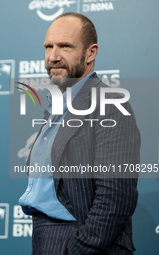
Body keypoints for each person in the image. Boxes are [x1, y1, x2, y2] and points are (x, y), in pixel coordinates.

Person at [18, 13, 140, 255]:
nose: (53, 56)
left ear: (91, 53)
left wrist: (78, 248)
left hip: (82, 244)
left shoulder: (109, 104)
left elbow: (116, 197)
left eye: (65, 46)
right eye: (48, 47)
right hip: (44, 239)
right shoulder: (55, 108)